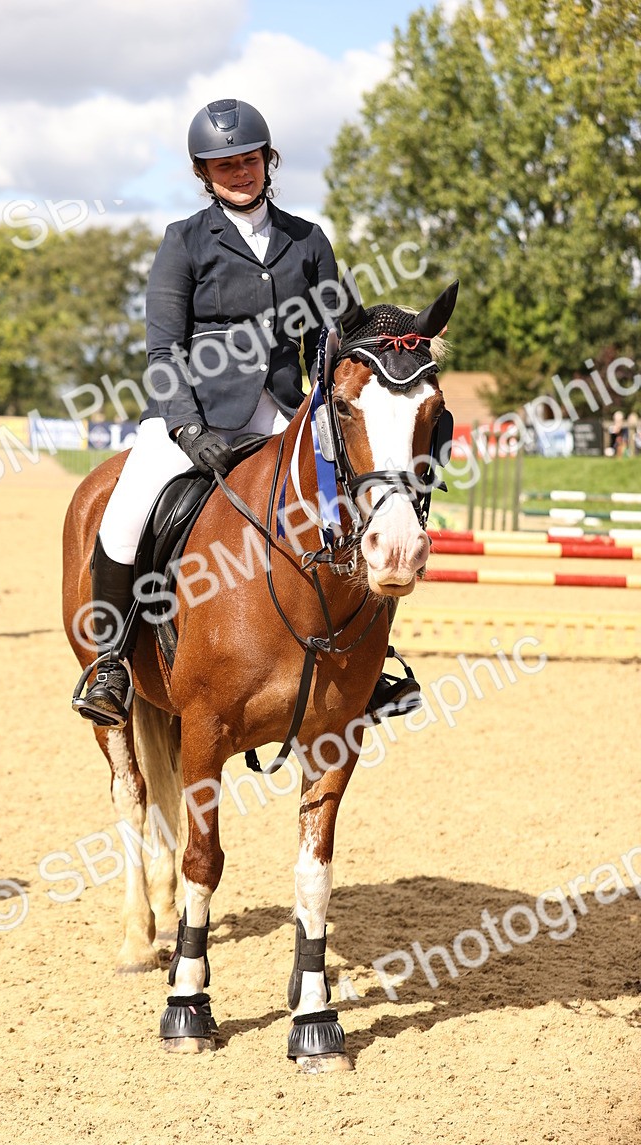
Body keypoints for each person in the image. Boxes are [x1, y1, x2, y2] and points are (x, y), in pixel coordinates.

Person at [73, 98, 419, 729]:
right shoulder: (183, 241)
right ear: (205, 173)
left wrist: (336, 393)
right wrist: (186, 426)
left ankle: (370, 666)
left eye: (248, 160)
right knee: (123, 516)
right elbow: (162, 348)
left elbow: (328, 336)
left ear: (268, 160)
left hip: (284, 413)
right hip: (192, 416)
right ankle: (112, 664)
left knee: (356, 512)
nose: (239, 172)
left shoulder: (306, 240)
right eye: (223, 164)